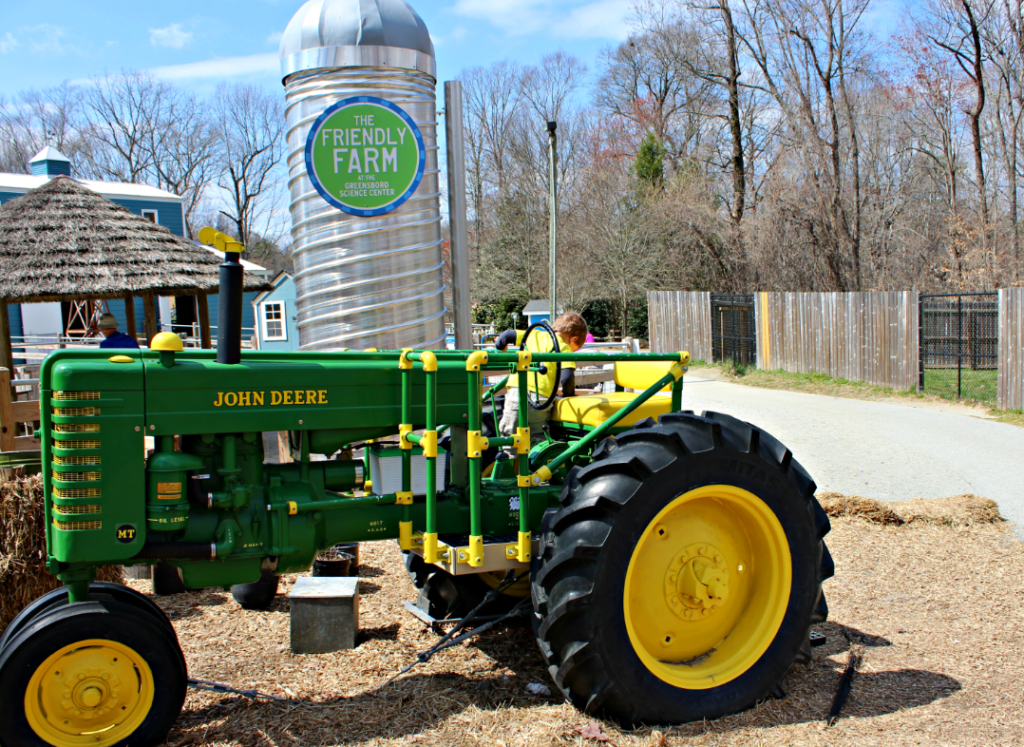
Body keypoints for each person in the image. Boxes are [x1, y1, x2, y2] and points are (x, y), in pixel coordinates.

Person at [494, 312, 589, 440]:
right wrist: (568, 395)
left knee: (510, 435)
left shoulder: (534, 334)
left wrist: (501, 348)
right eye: (574, 349)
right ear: (574, 339)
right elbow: (567, 377)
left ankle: (507, 457)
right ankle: (536, 457)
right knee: (538, 435)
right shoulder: (563, 347)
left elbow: (506, 336)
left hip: (517, 392)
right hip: (541, 398)